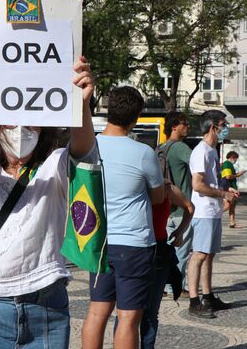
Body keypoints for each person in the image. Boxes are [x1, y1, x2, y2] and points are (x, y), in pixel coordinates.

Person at [0, 52, 96, 348]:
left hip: (45, 310)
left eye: (32, 122)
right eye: (8, 120)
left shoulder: (56, 165)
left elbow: (83, 156)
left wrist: (80, 105)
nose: (20, 129)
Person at [82, 86, 165, 349]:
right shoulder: (143, 153)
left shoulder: (89, 146)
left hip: (99, 242)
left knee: (97, 312)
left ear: (108, 110)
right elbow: (158, 197)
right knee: (128, 318)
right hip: (134, 244)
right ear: (137, 115)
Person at [187, 110, 238, 319]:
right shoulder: (202, 152)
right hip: (203, 211)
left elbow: (212, 181)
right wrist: (223, 193)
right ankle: (193, 301)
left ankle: (208, 296)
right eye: (223, 124)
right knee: (199, 255)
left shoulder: (213, 150)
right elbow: (197, 185)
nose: (226, 127)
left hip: (213, 210)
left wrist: (226, 191)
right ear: (213, 127)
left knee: (209, 254)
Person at [141, 176, 194, 348]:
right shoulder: (164, 186)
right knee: (145, 313)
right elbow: (189, 207)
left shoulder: (165, 186)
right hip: (151, 253)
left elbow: (189, 207)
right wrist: (179, 232)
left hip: (154, 253)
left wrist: (179, 232)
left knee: (132, 313)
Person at [160, 111, 193, 296]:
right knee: (181, 251)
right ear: (174, 126)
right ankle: (176, 286)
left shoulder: (160, 148)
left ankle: (163, 285)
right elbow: (198, 167)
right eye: (184, 123)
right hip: (182, 208)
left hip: (165, 208)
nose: (187, 126)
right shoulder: (181, 148)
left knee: (165, 250)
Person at [221, 151, 245, 228]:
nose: (236, 161)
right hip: (228, 188)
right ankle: (213, 215)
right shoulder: (227, 164)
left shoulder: (229, 164)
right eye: (236, 159)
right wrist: (238, 174)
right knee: (227, 206)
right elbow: (228, 176)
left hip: (232, 188)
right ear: (232, 157)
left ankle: (232, 223)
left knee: (232, 206)